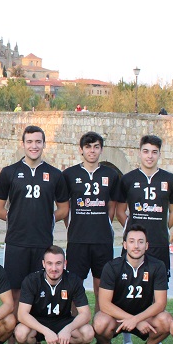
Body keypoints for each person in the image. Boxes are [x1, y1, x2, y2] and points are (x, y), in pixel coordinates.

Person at [0, 125, 69, 344]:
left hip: (43, 244)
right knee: (15, 294)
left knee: (40, 292)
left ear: (44, 144)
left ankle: (35, 340)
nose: (34, 146)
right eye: (29, 141)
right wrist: (16, 220)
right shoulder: (9, 172)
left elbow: (64, 209)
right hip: (16, 243)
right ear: (22, 144)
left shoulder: (55, 174)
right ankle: (13, 343)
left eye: (38, 141)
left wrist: (45, 219)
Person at [115, 135, 173, 344]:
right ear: (139, 153)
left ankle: (156, 339)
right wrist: (132, 232)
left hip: (159, 244)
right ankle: (127, 342)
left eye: (154, 151)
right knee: (126, 290)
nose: (149, 156)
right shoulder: (128, 179)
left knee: (156, 292)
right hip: (134, 245)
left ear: (159, 154)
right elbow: (120, 211)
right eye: (146, 151)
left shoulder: (169, 180)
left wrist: (162, 229)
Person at [93, 225, 173, 344]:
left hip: (145, 317)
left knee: (166, 321)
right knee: (99, 323)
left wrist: (137, 319)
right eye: (131, 241)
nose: (136, 246)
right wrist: (133, 320)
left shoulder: (158, 266)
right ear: (124, 245)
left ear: (147, 245)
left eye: (141, 242)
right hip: (117, 318)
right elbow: (104, 304)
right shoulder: (112, 267)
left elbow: (160, 303)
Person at [61, 132, 120, 318]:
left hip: (102, 240)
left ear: (101, 149)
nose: (92, 150)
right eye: (88, 147)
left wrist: (103, 224)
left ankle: (100, 333)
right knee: (73, 287)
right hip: (78, 240)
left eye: (96, 147)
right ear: (81, 149)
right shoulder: (70, 174)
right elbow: (65, 207)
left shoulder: (110, 175)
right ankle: (72, 329)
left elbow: (111, 206)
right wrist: (71, 226)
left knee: (101, 288)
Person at [13, 245, 94, 344]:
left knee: (88, 333)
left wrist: (68, 329)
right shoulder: (32, 280)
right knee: (20, 333)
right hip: (38, 323)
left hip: (63, 321)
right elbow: (22, 314)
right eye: (50, 263)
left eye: (58, 263)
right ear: (43, 264)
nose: (54, 268)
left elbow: (86, 314)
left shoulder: (73, 280)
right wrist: (46, 332)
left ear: (65, 263)